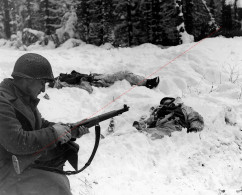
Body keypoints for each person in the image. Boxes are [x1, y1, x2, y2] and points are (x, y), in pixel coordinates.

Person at [0, 53, 89, 195]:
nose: (43, 89)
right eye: (42, 82)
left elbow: (41, 125)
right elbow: (16, 141)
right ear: (26, 79)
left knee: (59, 180)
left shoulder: (22, 97)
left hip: (17, 165)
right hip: (4, 172)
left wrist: (70, 130)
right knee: (56, 185)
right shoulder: (2, 101)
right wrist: (55, 133)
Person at [133, 97, 204, 140]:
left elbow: (196, 118)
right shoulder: (159, 110)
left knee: (154, 134)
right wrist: (142, 123)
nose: (164, 104)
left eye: (166, 102)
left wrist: (194, 129)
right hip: (160, 125)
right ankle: (142, 134)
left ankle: (145, 135)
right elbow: (151, 120)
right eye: (163, 103)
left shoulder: (184, 108)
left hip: (175, 125)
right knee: (149, 132)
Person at [49, 70, 160, 94]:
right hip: (98, 81)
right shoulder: (64, 82)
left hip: (97, 77)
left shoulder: (66, 77)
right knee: (124, 74)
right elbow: (88, 89)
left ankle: (145, 82)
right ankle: (147, 83)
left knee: (124, 74)